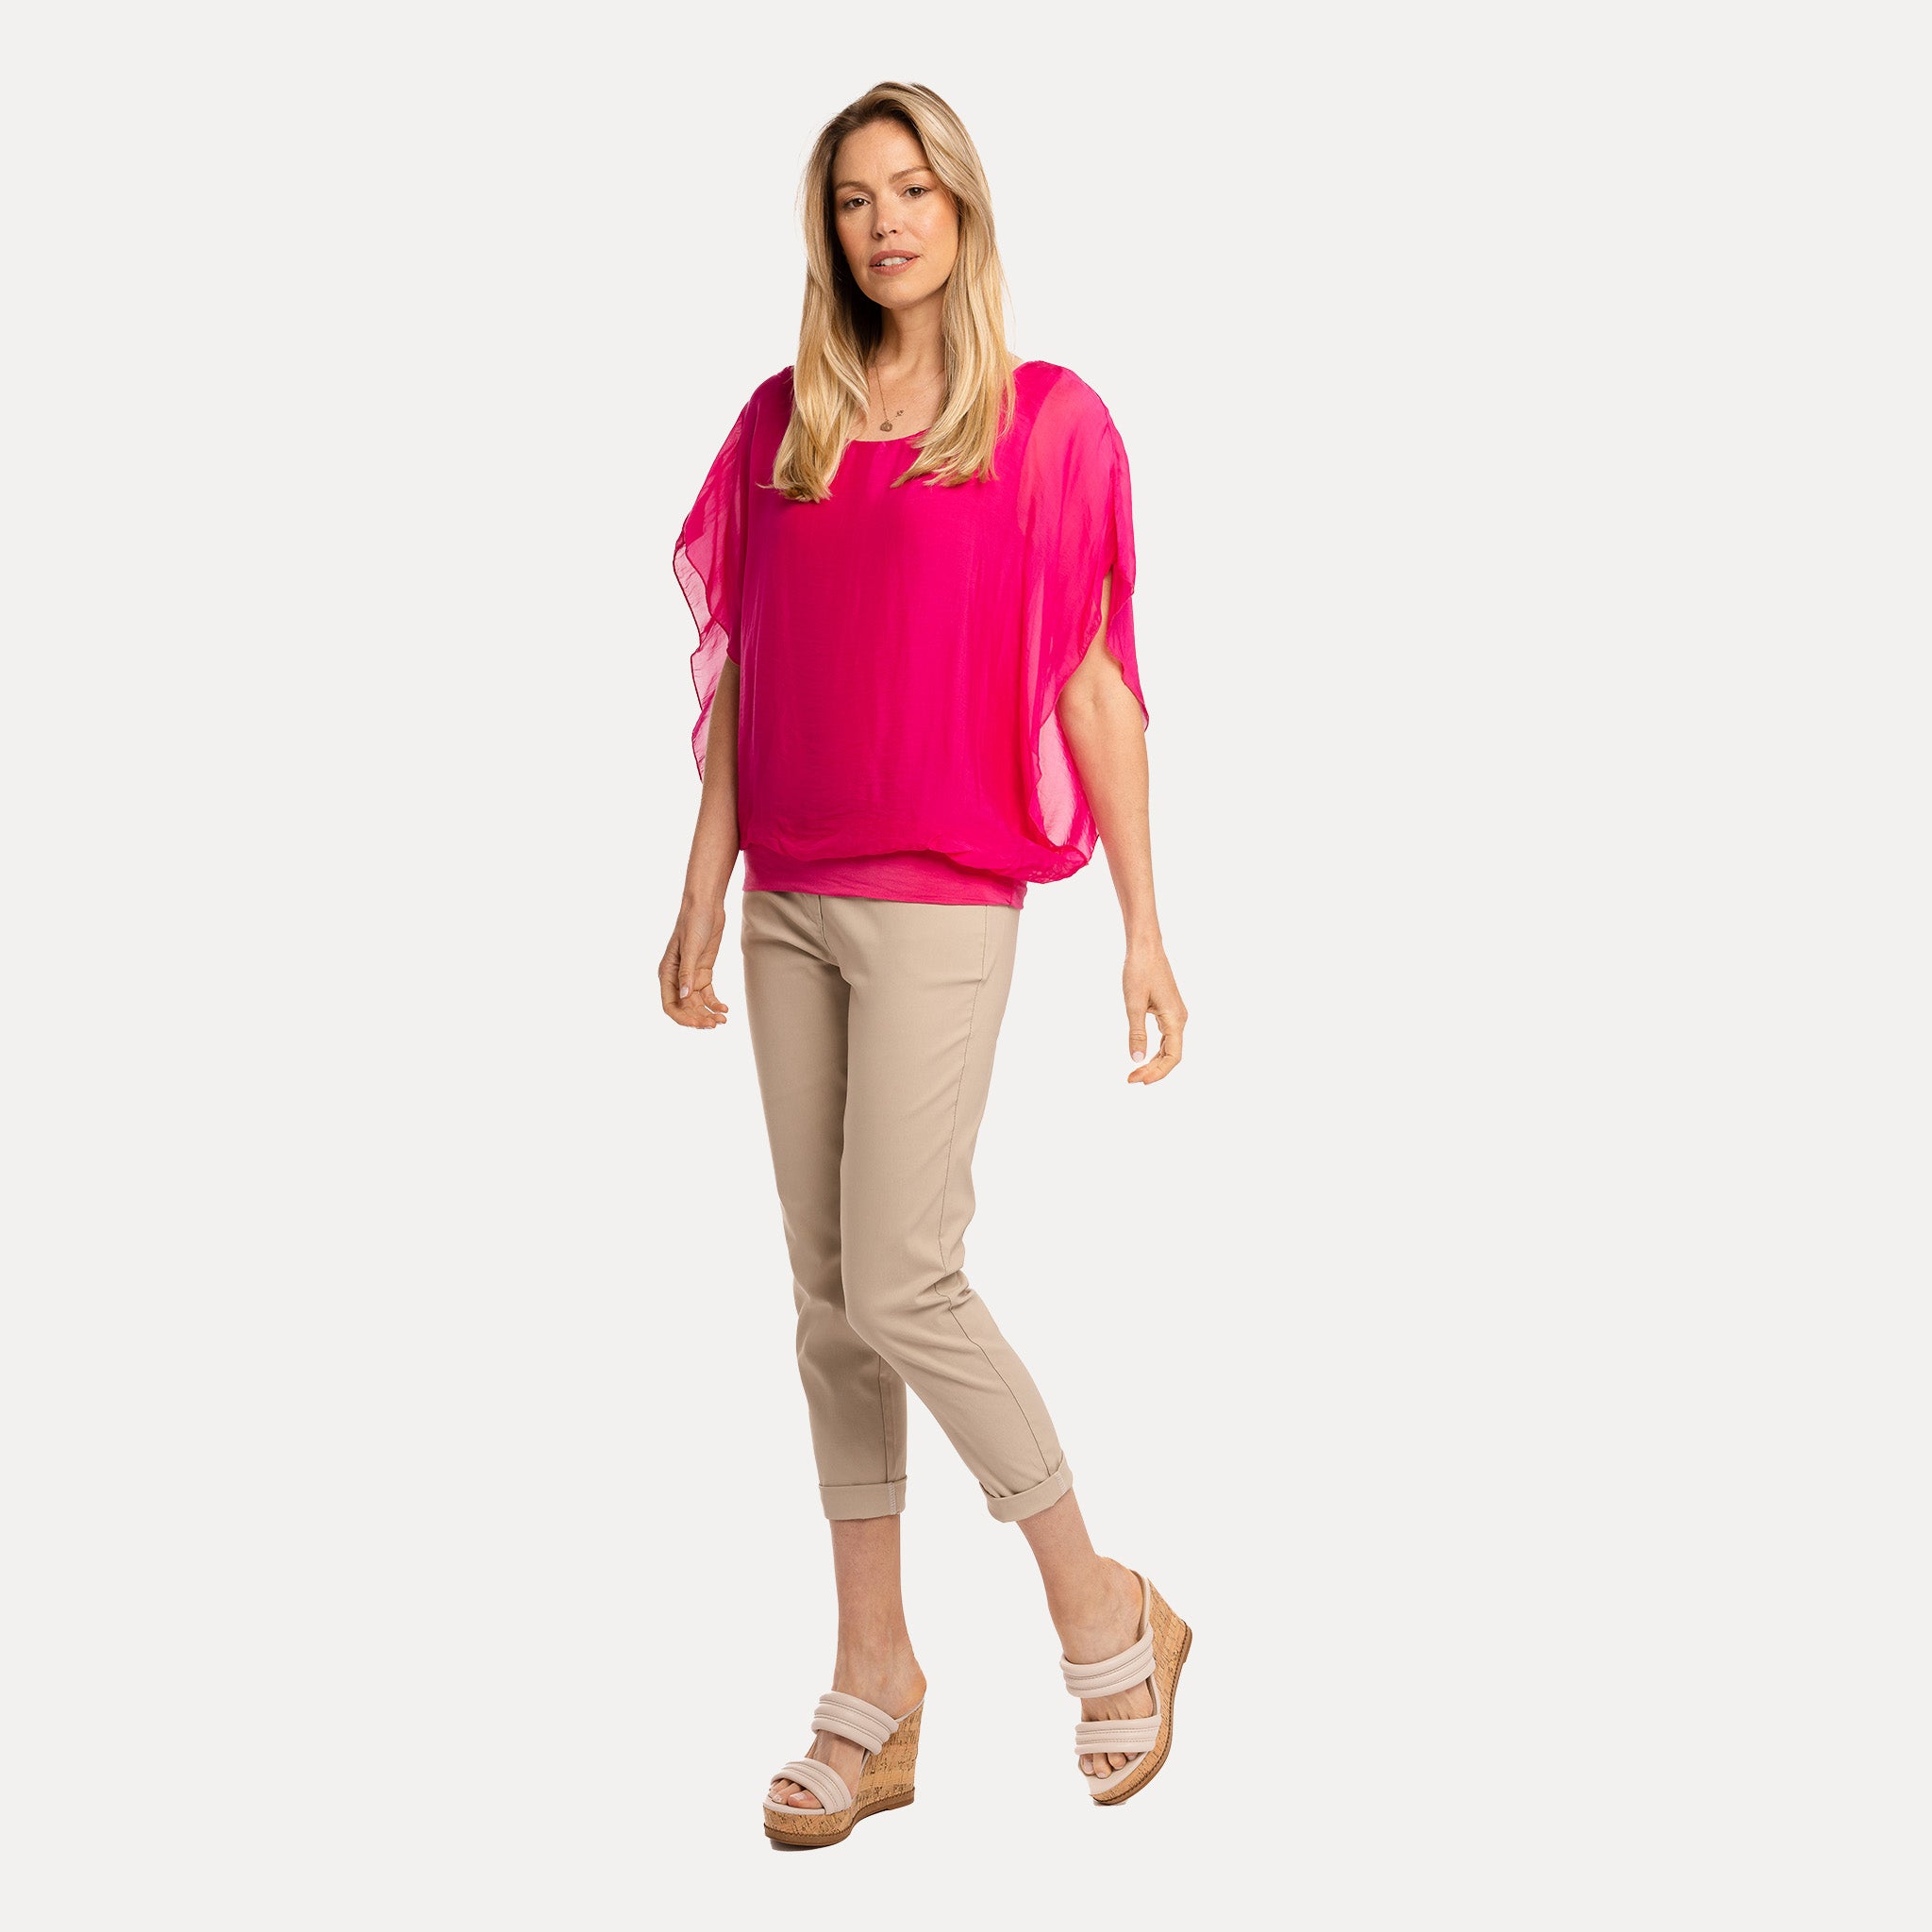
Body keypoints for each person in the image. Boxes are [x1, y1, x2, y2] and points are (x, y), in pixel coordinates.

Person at [662, 80, 1191, 1850]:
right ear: (826, 231)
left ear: (962, 209)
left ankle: (1099, 1601)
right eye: (853, 199)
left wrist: (1142, 922)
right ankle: (875, 1671)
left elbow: (1093, 680)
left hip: (946, 895)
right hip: (787, 899)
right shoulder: (784, 424)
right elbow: (744, 673)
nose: (884, 223)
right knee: (828, 1299)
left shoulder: (1045, 426)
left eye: (912, 190)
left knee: (903, 1278)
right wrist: (701, 887)